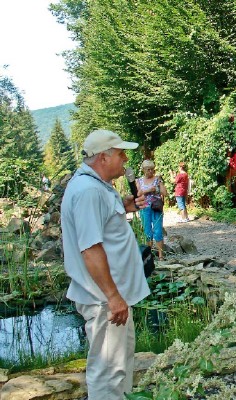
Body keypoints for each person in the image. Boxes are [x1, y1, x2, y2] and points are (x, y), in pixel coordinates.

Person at [61, 129, 150, 398]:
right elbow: (90, 249)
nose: (125, 158)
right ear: (103, 157)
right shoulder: (88, 191)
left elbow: (101, 225)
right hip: (104, 301)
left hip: (112, 298)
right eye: (121, 153)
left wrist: (124, 205)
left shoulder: (96, 186)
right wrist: (112, 297)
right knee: (108, 373)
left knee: (119, 368)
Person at [137, 159, 167, 260]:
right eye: (148, 169)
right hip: (144, 207)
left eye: (152, 169)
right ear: (143, 170)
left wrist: (159, 185)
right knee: (147, 231)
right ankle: (149, 255)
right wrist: (149, 190)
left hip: (156, 207)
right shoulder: (139, 181)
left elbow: (165, 193)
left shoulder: (157, 180)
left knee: (158, 230)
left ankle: (160, 255)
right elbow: (137, 194)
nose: (150, 171)